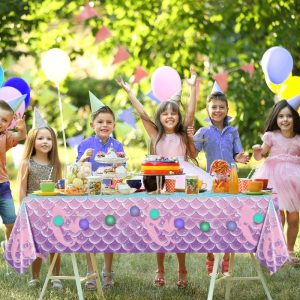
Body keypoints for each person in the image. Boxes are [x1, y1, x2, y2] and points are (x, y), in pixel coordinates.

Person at [117, 67, 211, 288]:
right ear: (159, 117)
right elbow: (141, 113)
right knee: (159, 225)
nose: (170, 116)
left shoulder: (181, 134)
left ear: (177, 117)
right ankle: (159, 268)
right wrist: (130, 92)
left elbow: (190, 112)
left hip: (181, 176)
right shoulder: (155, 134)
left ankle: (182, 269)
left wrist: (192, 87)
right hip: (159, 180)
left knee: (177, 227)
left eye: (173, 113)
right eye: (165, 113)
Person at [189, 90, 249, 277]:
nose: (217, 110)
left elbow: (236, 154)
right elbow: (192, 154)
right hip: (212, 182)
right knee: (211, 221)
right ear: (207, 109)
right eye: (213, 107)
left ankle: (226, 262)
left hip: (231, 182)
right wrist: (190, 139)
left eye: (221, 107)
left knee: (230, 221)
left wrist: (242, 157)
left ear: (227, 109)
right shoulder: (203, 131)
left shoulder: (233, 131)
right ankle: (210, 259)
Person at [77, 105, 125, 289]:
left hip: (110, 195)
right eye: (100, 122)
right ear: (92, 124)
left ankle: (107, 272)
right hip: (90, 195)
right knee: (89, 233)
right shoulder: (85, 145)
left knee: (108, 232)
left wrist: (117, 167)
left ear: (113, 125)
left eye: (108, 122)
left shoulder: (117, 146)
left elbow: (120, 170)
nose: (104, 125)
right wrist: (83, 159)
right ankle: (91, 273)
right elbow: (77, 170)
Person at [252, 99, 300, 265]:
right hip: (274, 178)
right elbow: (260, 156)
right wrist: (257, 151)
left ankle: (290, 250)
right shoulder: (271, 136)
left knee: (294, 218)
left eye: (289, 116)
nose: (285, 120)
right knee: (278, 216)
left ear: (295, 118)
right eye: (281, 116)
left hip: (294, 182)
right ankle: (276, 250)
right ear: (275, 118)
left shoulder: (298, 138)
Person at [18, 125, 62, 288]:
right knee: (36, 244)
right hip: (33, 210)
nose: (45, 142)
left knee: (55, 244)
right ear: (32, 141)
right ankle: (35, 276)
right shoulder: (27, 163)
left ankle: (56, 277)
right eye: (41, 138)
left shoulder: (56, 164)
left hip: (53, 209)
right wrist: (22, 209)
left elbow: (59, 187)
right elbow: (22, 188)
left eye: (49, 139)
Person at [0, 100, 26, 249]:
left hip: (3, 186)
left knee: (10, 221)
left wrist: (22, 128)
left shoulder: (6, 136)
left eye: (5, 120)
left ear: (9, 124)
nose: (0, 122)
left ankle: (9, 247)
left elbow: (20, 136)